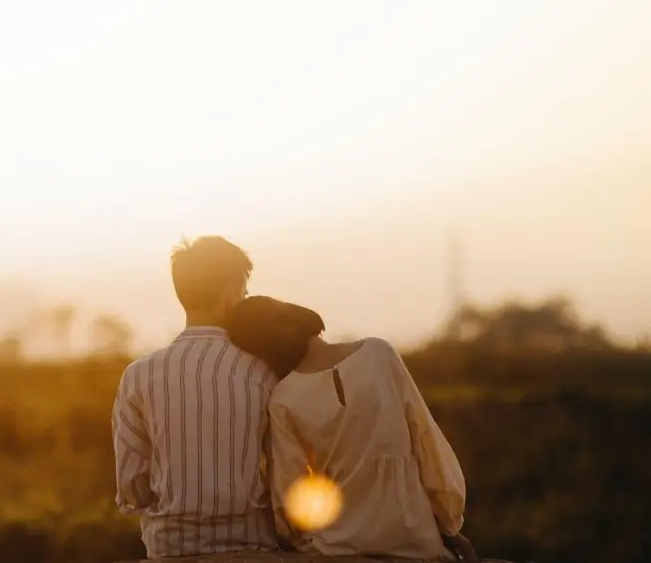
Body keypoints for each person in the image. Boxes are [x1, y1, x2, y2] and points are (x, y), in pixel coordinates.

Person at [227, 296, 478, 563]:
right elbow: (426, 443)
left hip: (336, 545)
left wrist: (297, 538)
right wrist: (449, 525)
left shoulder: (283, 399)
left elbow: (290, 491)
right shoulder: (379, 353)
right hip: (414, 539)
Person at [112, 236, 280, 558]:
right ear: (230, 292)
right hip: (252, 548)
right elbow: (284, 472)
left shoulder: (139, 375)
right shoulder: (263, 372)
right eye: (243, 292)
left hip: (170, 549)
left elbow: (132, 485)